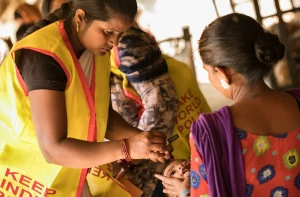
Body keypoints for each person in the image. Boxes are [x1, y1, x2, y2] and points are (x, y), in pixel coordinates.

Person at [0, 0, 170, 196]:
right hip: (21, 177)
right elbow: (53, 150)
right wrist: (127, 148)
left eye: (120, 34)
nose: (115, 42)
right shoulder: (44, 57)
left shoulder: (94, 48)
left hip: (69, 173)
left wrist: (145, 142)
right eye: (108, 32)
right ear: (80, 18)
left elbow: (99, 116)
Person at [156, 13, 300, 197]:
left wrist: (185, 192)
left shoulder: (210, 132)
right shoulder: (296, 102)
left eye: (208, 72)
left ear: (222, 73)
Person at [108, 22, 211, 197]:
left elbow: (160, 107)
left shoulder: (126, 43)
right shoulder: (113, 46)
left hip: (157, 163)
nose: (180, 168)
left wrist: (133, 156)